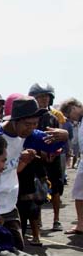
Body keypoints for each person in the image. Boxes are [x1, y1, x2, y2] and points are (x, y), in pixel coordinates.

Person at [0, 96, 49, 250]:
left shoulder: (23, 135)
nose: (31, 129)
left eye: (35, 124)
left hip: (10, 205)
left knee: (17, 250)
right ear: (15, 121)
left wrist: (64, 135)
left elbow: (52, 145)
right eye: (28, 124)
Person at [28, 83, 67, 231]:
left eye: (46, 96)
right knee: (36, 188)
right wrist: (39, 151)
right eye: (40, 97)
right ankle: (37, 220)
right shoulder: (30, 117)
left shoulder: (54, 117)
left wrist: (53, 153)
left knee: (56, 188)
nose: (43, 99)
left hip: (53, 159)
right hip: (35, 158)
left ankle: (56, 219)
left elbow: (60, 139)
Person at [60, 98, 83, 236]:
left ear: (74, 107)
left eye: (69, 115)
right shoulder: (79, 122)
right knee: (79, 193)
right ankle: (81, 225)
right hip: (82, 159)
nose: (71, 118)